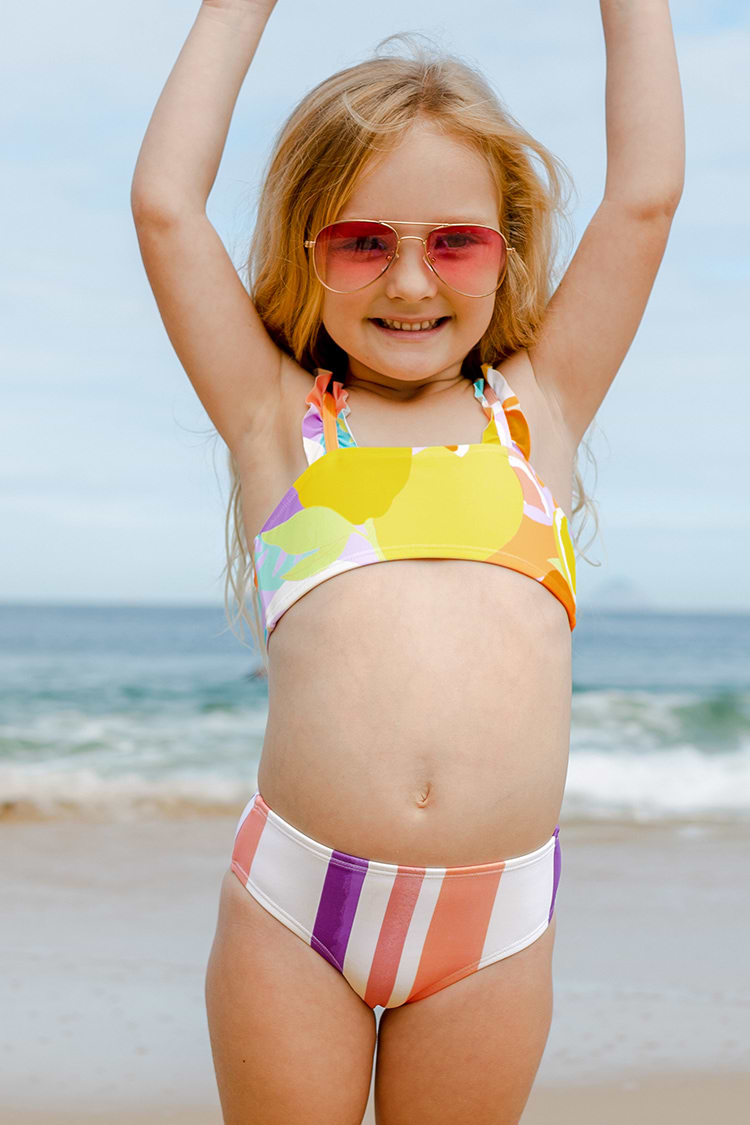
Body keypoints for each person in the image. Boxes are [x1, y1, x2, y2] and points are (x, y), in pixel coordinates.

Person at [130, 1, 684, 1120]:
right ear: (308, 246)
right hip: (298, 913)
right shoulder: (277, 419)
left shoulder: (539, 410)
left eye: (456, 241)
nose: (412, 282)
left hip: (491, 927)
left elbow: (643, 197)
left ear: (507, 247)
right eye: (363, 240)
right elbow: (165, 207)